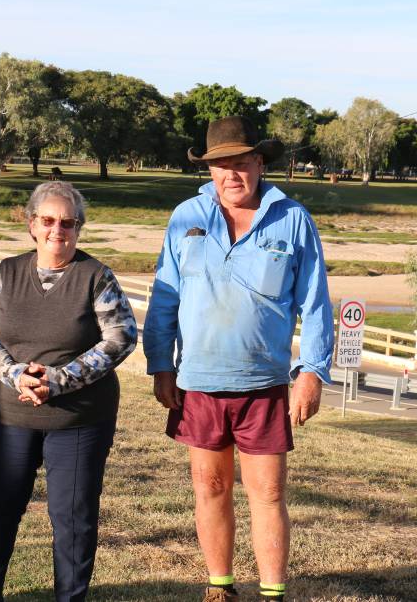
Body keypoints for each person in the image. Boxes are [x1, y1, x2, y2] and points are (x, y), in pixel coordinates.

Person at [143, 116, 334, 602]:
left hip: (265, 385)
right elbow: (165, 296)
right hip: (198, 381)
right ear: (209, 170)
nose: (232, 174)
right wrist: (160, 364)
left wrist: (311, 372)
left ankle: (272, 593)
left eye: (242, 163)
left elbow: (313, 304)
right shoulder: (186, 217)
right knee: (209, 486)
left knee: (267, 493)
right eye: (221, 165)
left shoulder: (292, 219)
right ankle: (219, 586)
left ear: (259, 163)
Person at [0, 181, 138, 602]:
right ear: (32, 224)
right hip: (12, 416)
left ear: (79, 228)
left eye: (68, 222)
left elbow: (121, 337)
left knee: (73, 519)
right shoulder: (7, 272)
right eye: (47, 220)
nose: (57, 230)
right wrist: (13, 373)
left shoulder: (96, 276)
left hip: (79, 418)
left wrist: (60, 380)